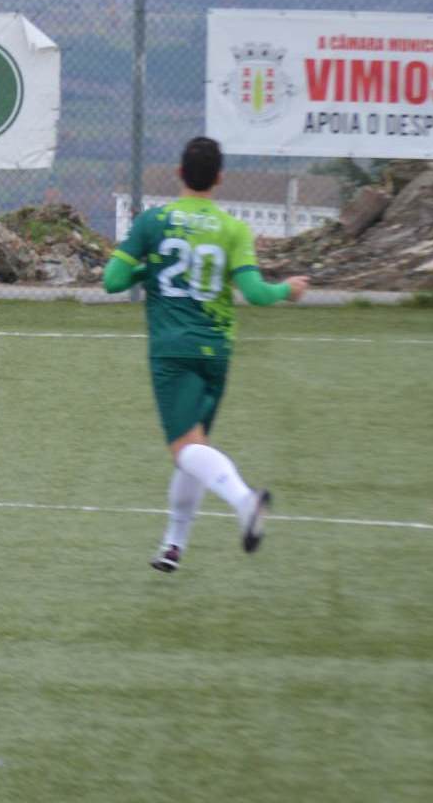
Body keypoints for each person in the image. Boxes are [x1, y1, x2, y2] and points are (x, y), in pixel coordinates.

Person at [104, 136, 309, 573]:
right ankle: (173, 545)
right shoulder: (233, 229)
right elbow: (255, 293)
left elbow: (112, 281)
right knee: (195, 447)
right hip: (217, 351)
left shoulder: (153, 222)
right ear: (219, 178)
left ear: (179, 173)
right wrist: (287, 290)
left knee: (186, 449)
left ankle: (245, 501)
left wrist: (148, 266)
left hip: (172, 352)